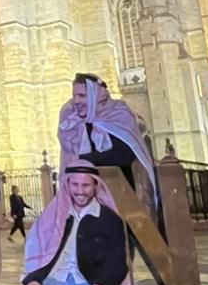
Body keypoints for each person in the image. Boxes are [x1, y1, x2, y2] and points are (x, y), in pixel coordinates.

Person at [56, 73, 156, 201]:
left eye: (82, 96)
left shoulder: (119, 114)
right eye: (74, 96)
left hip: (118, 197)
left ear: (95, 96)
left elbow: (123, 156)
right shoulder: (73, 123)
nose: (76, 101)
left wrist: (82, 160)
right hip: (82, 201)